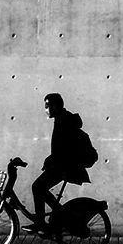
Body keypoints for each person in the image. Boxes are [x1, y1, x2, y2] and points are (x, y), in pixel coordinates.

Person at [22, 93, 90, 235]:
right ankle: (56, 217)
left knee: (38, 187)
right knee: (40, 188)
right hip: (63, 165)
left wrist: (53, 160)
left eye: (47, 106)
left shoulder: (63, 121)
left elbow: (65, 149)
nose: (46, 109)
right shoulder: (63, 119)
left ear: (55, 106)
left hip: (66, 167)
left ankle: (42, 222)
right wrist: (51, 159)